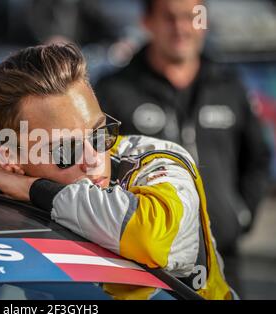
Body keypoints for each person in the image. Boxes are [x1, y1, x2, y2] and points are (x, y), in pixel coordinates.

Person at [0, 43, 234, 299]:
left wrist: (31, 187)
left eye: (99, 133)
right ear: (14, 155)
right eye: (64, 148)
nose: (92, 157)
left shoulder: (157, 161)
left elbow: (148, 235)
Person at [94, 0, 271, 257]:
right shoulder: (114, 90)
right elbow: (95, 161)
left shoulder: (229, 86)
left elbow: (257, 157)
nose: (180, 27)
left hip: (221, 256)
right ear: (147, 22)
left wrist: (241, 214)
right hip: (145, 258)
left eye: (191, 17)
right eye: (169, 17)